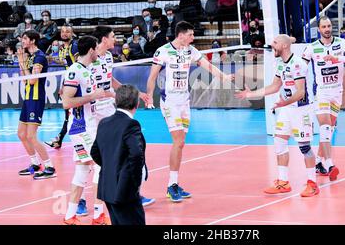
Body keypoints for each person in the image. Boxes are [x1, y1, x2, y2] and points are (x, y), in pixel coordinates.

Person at [143, 21, 233, 202]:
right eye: (191, 35)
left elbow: (207, 66)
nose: (193, 38)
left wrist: (223, 77)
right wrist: (148, 97)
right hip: (170, 102)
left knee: (181, 143)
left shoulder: (191, 51)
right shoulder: (163, 51)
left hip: (184, 101)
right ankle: (171, 185)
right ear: (181, 35)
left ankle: (174, 183)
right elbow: (152, 76)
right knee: (178, 141)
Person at [236, 34, 319, 197]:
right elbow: (274, 86)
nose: (271, 45)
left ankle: (312, 183)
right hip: (287, 109)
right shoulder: (280, 63)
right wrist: (250, 94)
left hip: (301, 110)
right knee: (279, 141)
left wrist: (284, 103)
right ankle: (283, 182)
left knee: (305, 148)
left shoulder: (298, 64)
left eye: (275, 42)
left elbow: (301, 92)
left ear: (285, 46)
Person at [61, 35, 112, 225]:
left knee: (82, 170)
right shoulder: (75, 71)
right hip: (81, 127)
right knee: (102, 165)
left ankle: (69, 216)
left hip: (87, 126)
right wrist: (92, 96)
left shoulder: (87, 70)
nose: (98, 51)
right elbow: (66, 102)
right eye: (96, 48)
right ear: (91, 50)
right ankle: (98, 215)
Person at [302, 16, 345, 180]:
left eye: (329, 26)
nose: (327, 29)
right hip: (321, 92)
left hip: (337, 92)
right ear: (319, 29)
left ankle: (319, 163)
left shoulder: (341, 43)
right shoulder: (312, 47)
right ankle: (330, 164)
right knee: (325, 127)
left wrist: (338, 58)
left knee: (329, 129)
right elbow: (300, 67)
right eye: (324, 27)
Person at [91, 85, 147, 225]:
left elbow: (94, 152)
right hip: (125, 190)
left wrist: (111, 166)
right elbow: (135, 155)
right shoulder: (131, 124)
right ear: (137, 103)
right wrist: (134, 182)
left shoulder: (104, 123)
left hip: (107, 188)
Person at [16, 30, 56, 180]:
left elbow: (32, 80)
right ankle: (35, 164)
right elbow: (24, 79)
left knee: (31, 136)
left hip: (36, 99)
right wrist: (22, 61)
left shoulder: (39, 57)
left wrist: (22, 62)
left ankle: (50, 166)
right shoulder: (31, 57)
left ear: (32, 40)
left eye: (25, 38)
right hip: (28, 98)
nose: (22, 41)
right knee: (21, 134)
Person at [45, 25, 79, 151]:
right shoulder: (62, 48)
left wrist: (69, 85)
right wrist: (63, 85)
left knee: (72, 113)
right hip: (69, 83)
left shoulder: (74, 46)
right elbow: (67, 68)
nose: (65, 34)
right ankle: (59, 139)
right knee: (69, 113)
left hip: (76, 84)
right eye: (63, 31)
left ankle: (60, 138)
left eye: (68, 32)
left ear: (72, 33)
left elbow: (79, 66)